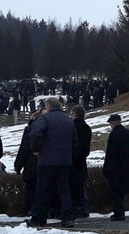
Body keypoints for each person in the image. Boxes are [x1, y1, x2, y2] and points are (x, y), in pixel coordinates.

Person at [28, 97, 77, 227]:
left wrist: (36, 150)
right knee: (64, 189)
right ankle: (67, 218)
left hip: (47, 160)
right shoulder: (69, 120)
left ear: (48, 107)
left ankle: (39, 218)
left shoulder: (45, 118)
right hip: (65, 161)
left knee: (42, 189)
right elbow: (74, 141)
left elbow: (34, 134)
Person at [103, 114, 129, 221]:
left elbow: (110, 154)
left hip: (115, 168)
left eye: (110, 124)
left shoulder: (113, 135)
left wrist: (105, 169)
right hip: (128, 168)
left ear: (113, 123)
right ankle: (119, 212)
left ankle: (119, 214)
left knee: (115, 192)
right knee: (122, 191)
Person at [14, 111, 42, 217]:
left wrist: (18, 165)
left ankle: (29, 209)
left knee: (30, 188)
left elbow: (24, 148)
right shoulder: (47, 127)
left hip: (31, 163)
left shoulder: (30, 129)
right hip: (45, 162)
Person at [70, 105, 92, 218]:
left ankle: (74, 209)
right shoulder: (87, 128)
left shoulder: (72, 127)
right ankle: (84, 208)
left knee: (72, 188)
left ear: (75, 114)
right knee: (81, 187)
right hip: (82, 161)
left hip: (72, 161)